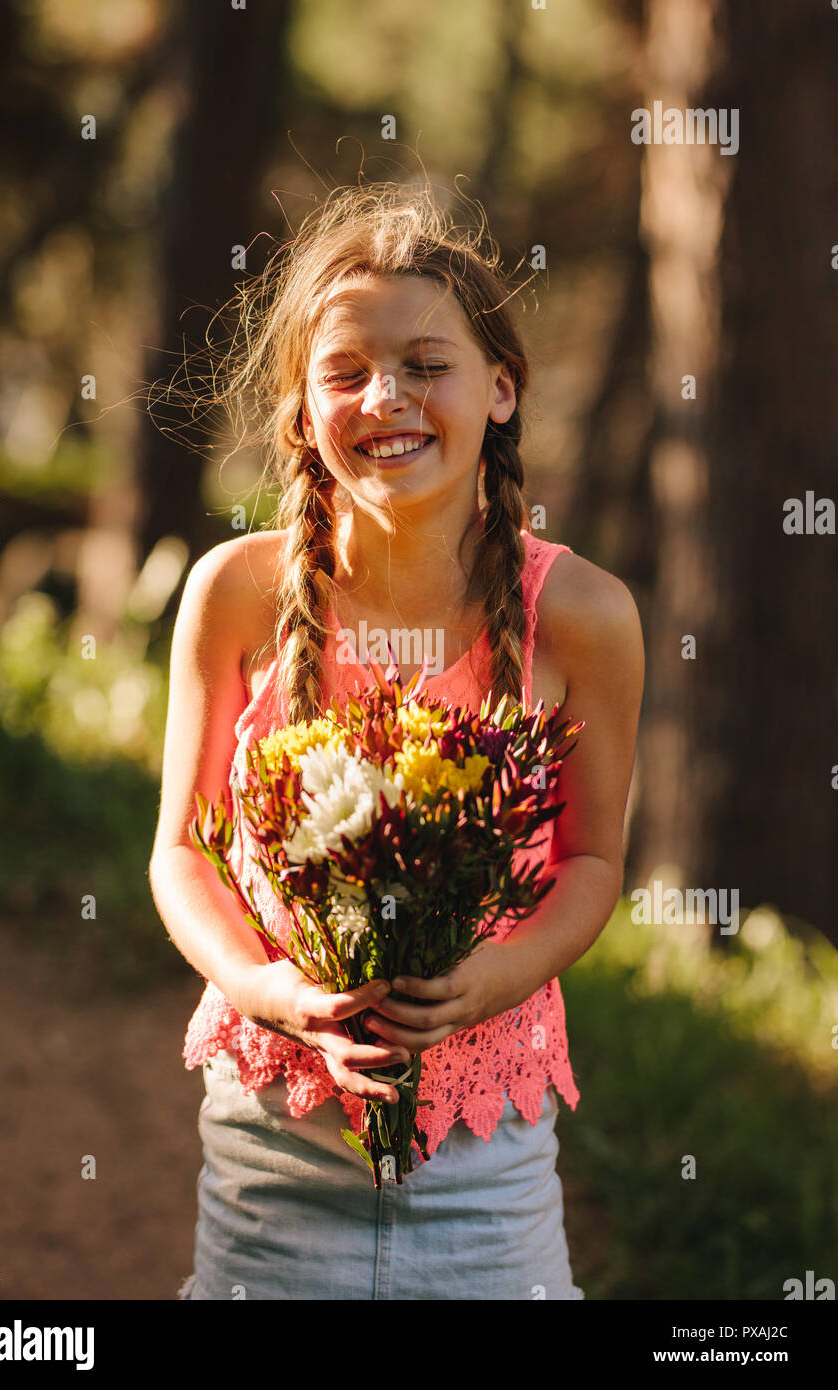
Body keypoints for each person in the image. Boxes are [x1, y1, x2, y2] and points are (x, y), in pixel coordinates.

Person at [148, 181, 644, 1300]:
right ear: (301, 407)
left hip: (488, 1161)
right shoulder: (231, 592)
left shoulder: (584, 617)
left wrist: (489, 980)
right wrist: (265, 987)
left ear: (500, 390)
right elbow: (179, 851)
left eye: (428, 364)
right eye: (346, 371)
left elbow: (593, 864)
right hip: (272, 1145)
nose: (386, 396)